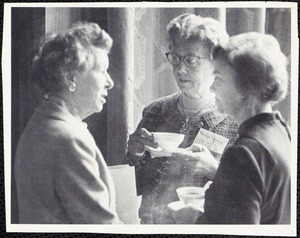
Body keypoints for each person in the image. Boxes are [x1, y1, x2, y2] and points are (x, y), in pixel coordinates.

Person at [123, 13, 239, 224]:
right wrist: (135, 156)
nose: (180, 69)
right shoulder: (155, 111)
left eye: (191, 60)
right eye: (175, 58)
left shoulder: (234, 123)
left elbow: (247, 198)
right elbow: (134, 187)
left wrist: (213, 170)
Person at [173, 32, 291, 224]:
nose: (212, 89)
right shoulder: (285, 132)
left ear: (246, 87)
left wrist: (194, 220)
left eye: (218, 79)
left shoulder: (243, 153)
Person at [14, 22, 121, 224]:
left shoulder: (44, 122)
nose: (110, 82)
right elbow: (103, 227)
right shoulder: (68, 139)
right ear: (70, 77)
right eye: (102, 70)